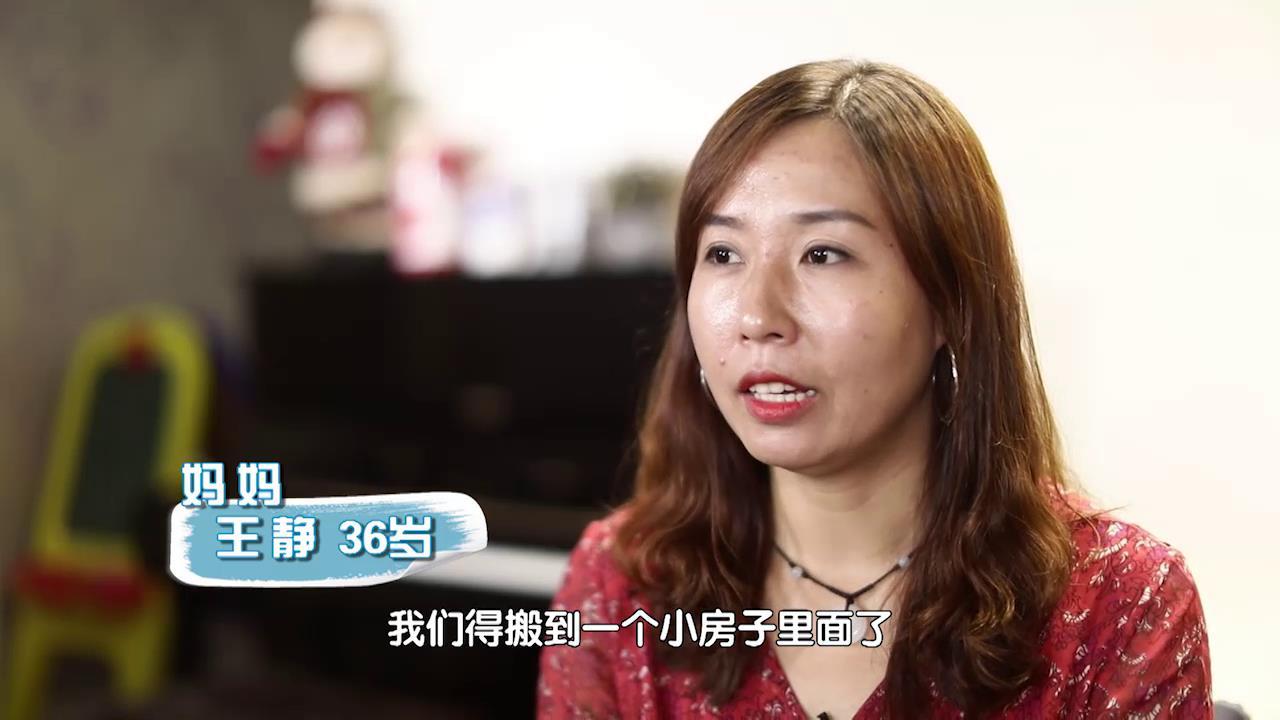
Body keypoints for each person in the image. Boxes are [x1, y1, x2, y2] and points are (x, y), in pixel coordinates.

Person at [536, 59, 1212, 719]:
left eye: (822, 254)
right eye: (723, 254)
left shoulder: (1120, 604)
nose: (757, 316)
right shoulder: (621, 584)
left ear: (949, 302)